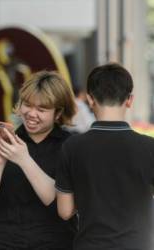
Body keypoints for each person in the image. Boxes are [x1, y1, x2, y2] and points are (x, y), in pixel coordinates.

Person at [0, 70, 77, 250]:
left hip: (57, 243)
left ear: (58, 113)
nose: (31, 113)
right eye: (27, 105)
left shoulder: (71, 146)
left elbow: (65, 206)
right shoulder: (6, 140)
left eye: (41, 109)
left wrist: (24, 159)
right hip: (5, 242)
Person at [55, 63, 154, 250]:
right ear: (129, 100)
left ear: (90, 100)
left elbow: (65, 211)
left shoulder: (72, 147)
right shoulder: (149, 147)